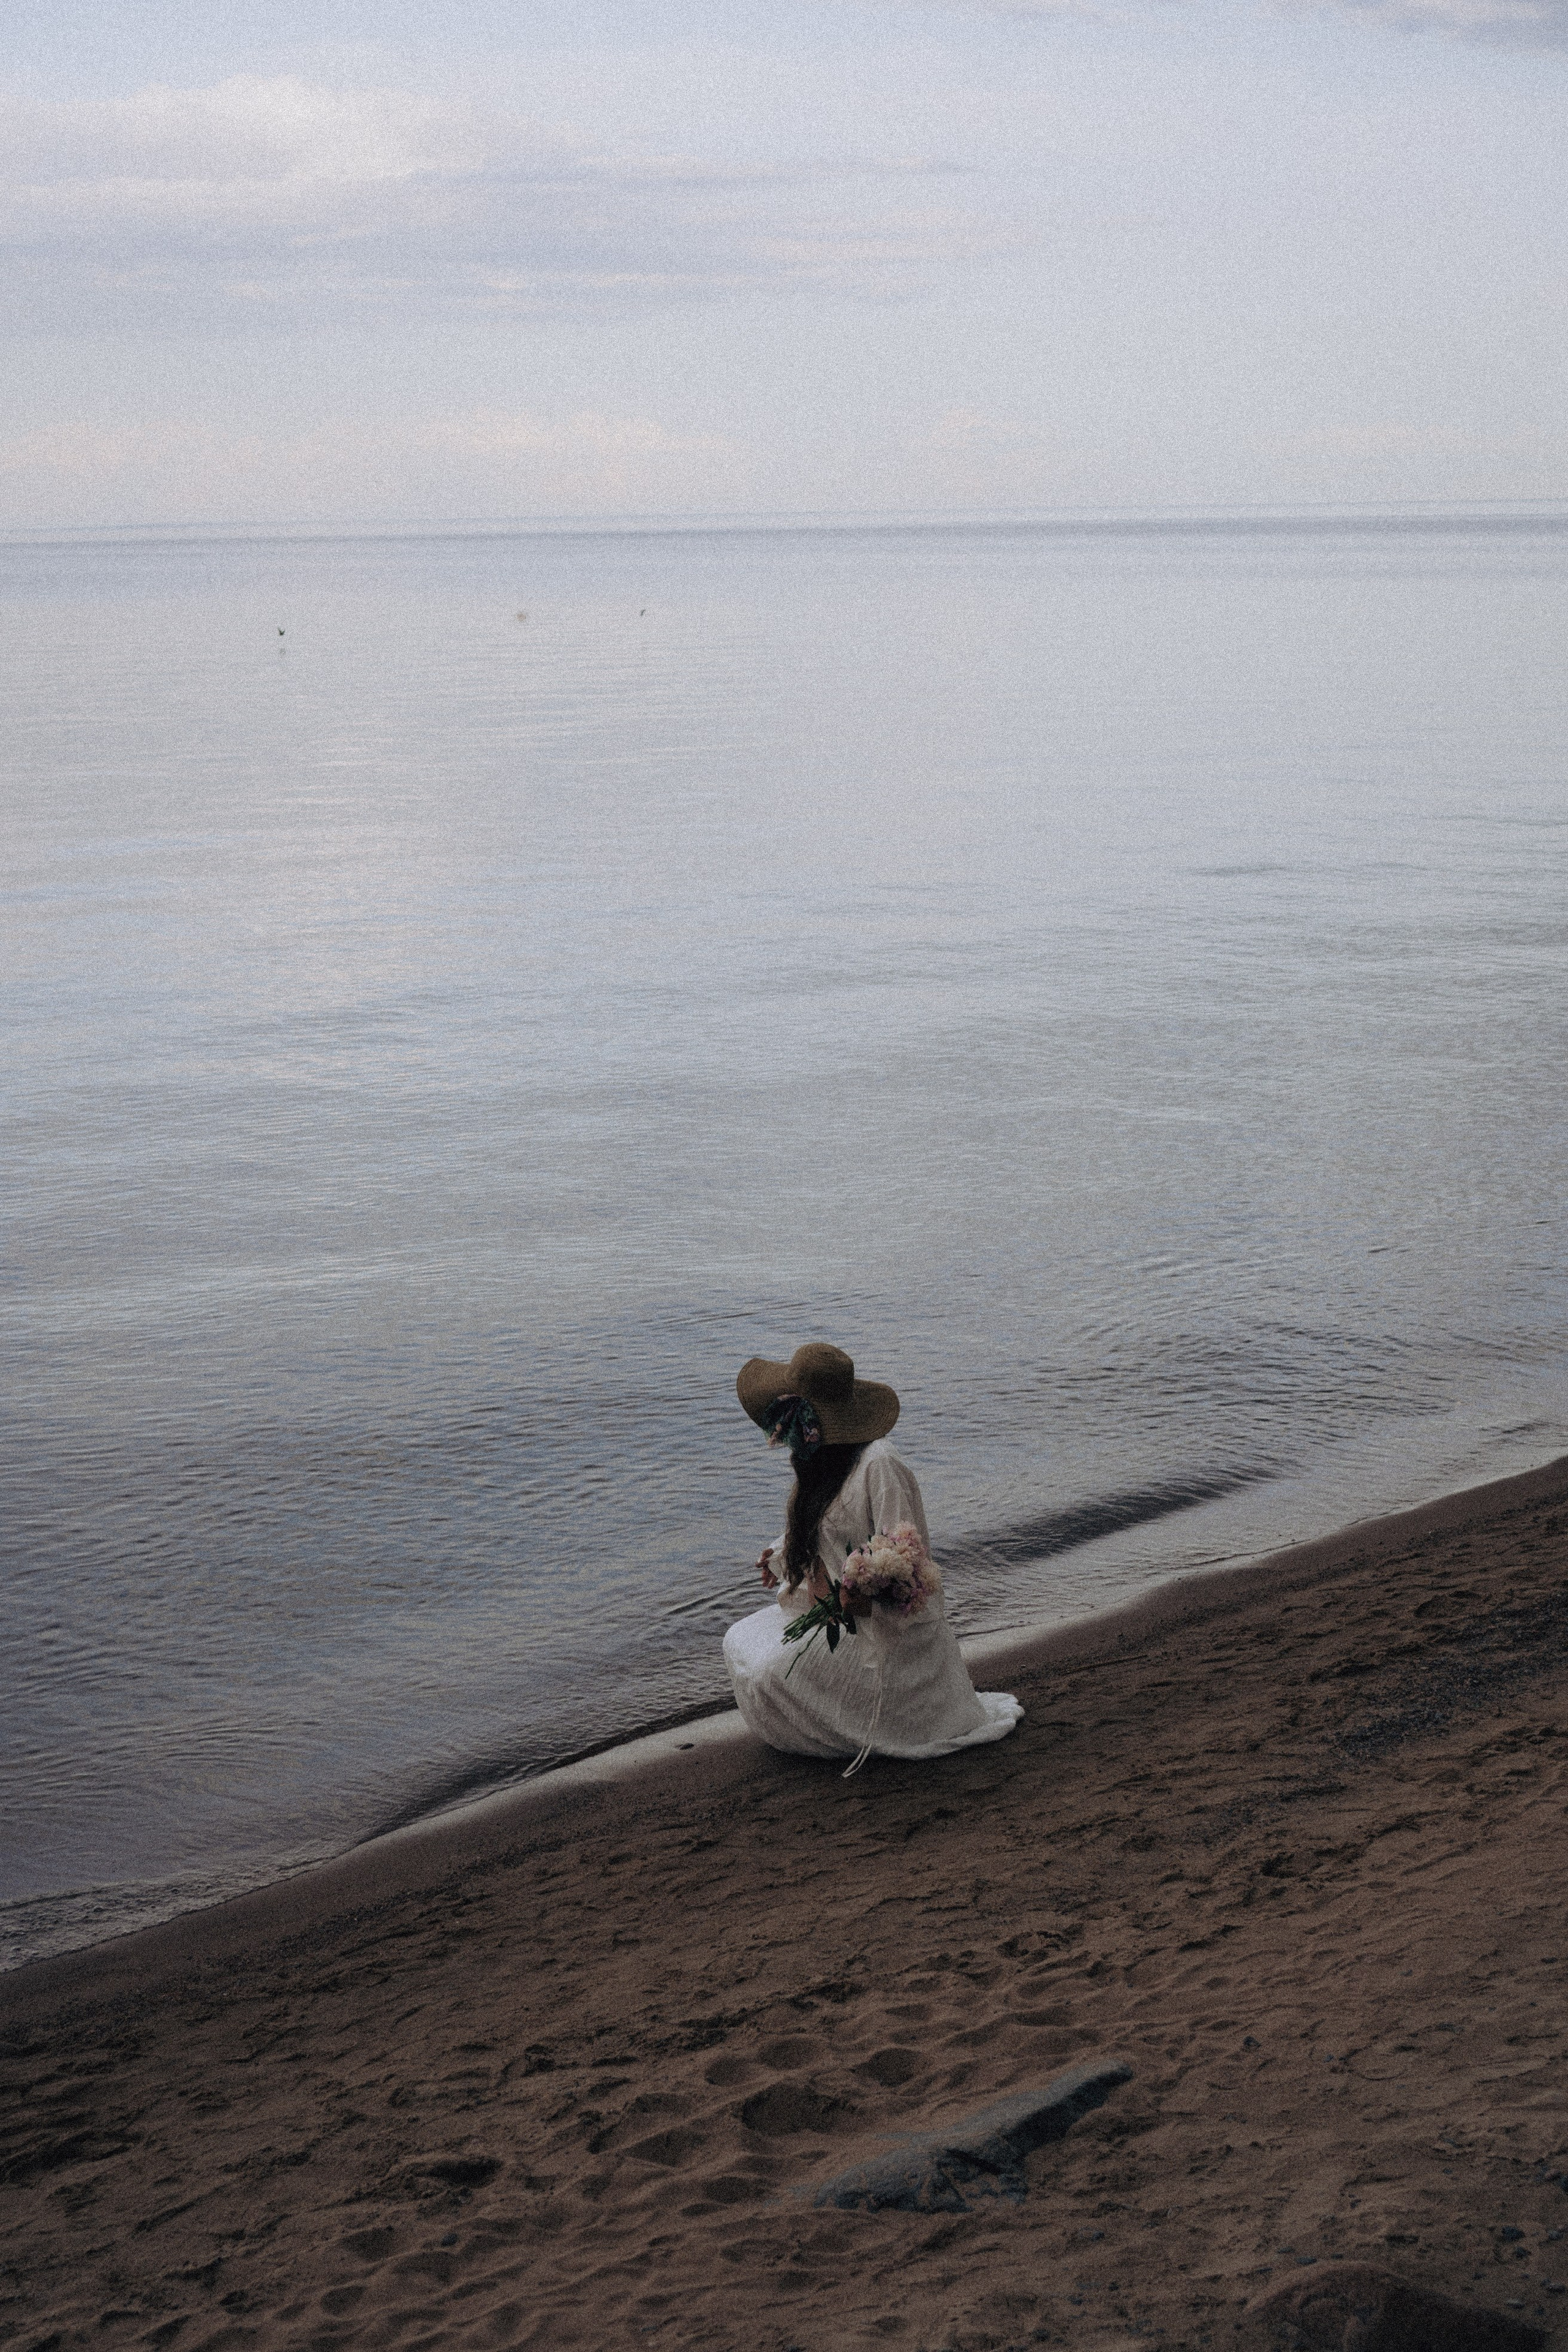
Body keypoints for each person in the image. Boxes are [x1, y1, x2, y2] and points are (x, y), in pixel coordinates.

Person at [722, 1341, 1022, 1770]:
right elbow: (820, 1525)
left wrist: (863, 1594)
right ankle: (825, 1722)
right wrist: (778, 1556)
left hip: (889, 1632)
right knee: (738, 1641)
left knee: (771, 1676)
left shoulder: (879, 1464)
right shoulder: (822, 1462)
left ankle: (865, 1724)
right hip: (837, 1612)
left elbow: (906, 1558)